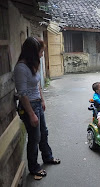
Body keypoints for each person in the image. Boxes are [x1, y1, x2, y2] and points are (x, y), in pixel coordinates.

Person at [14, 37, 60, 180]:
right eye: (40, 52)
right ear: (32, 52)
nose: (42, 54)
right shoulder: (21, 68)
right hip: (29, 106)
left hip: (37, 103)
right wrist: (31, 113)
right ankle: (34, 168)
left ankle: (48, 157)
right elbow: (22, 94)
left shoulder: (33, 64)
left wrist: (42, 100)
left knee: (43, 133)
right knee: (34, 138)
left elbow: (38, 85)